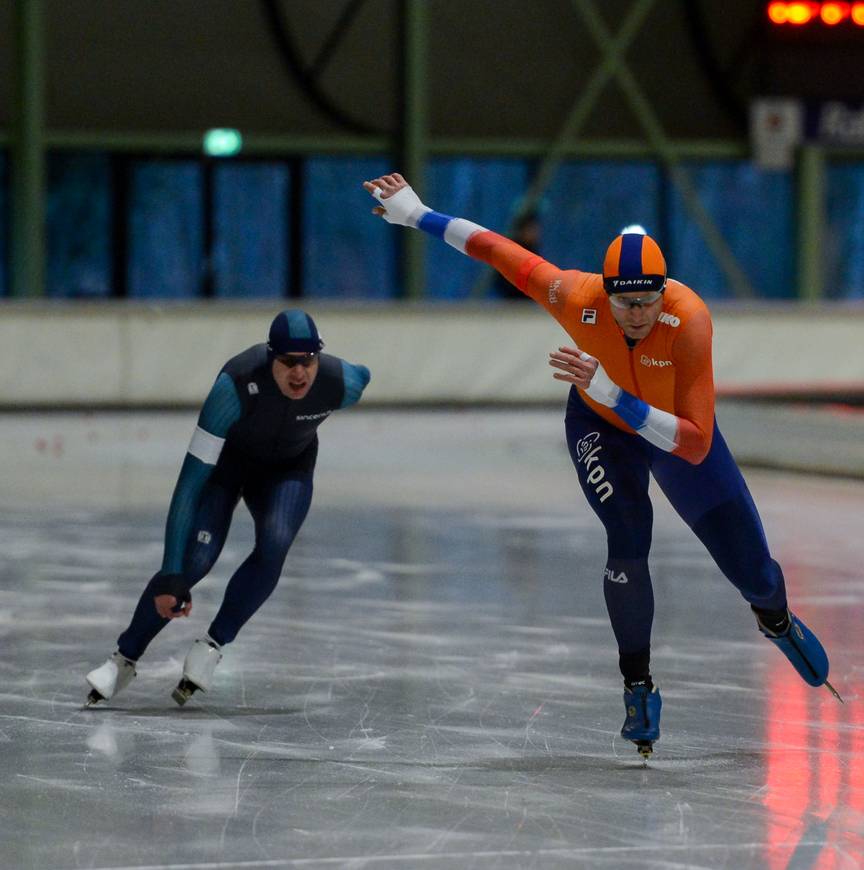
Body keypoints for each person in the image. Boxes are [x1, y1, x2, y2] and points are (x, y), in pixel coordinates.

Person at [362, 172, 839, 760]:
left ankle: (775, 618)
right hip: (599, 426)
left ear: (664, 293)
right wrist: (417, 214)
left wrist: (616, 394)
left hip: (662, 427)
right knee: (628, 533)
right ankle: (637, 685)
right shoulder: (575, 296)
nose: (636, 314)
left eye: (647, 301)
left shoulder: (688, 322)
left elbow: (692, 446)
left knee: (754, 573)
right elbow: (495, 248)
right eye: (624, 302)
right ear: (605, 293)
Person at [85, 309, 371, 706]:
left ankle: (213, 645)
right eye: (288, 362)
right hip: (227, 468)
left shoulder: (341, 383)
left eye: (307, 361)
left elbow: (364, 373)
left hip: (288, 471)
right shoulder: (233, 387)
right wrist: (170, 572)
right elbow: (189, 485)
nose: (299, 373)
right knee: (193, 563)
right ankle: (124, 658)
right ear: (271, 358)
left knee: (275, 544)